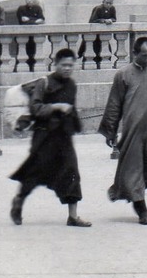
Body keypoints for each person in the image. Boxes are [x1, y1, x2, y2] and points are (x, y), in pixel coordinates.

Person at [9, 48, 91, 228]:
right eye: (64, 65)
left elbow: (72, 108)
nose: (67, 69)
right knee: (34, 173)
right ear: (56, 64)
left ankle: (73, 216)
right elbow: (35, 108)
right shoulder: (44, 83)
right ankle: (18, 202)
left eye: (71, 65)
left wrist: (76, 124)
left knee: (72, 174)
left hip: (64, 137)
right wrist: (56, 107)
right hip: (44, 137)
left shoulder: (72, 85)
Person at [98, 36, 147, 225]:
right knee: (134, 170)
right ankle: (141, 208)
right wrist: (110, 131)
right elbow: (114, 104)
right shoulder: (123, 75)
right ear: (135, 53)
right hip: (132, 131)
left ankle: (125, 188)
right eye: (144, 55)